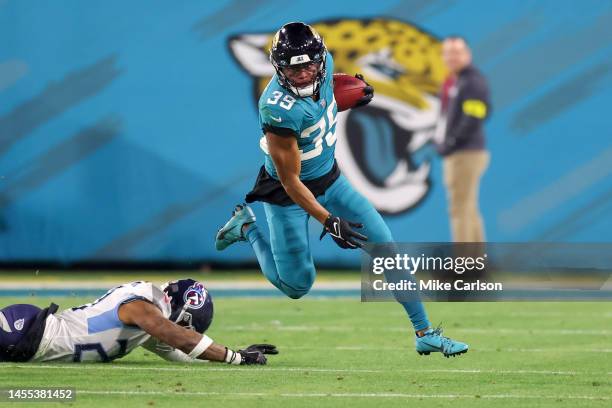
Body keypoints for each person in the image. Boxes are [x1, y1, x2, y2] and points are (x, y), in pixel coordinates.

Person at [216, 22, 468, 357]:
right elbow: (292, 181)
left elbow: (327, 93)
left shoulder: (327, 64)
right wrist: (328, 220)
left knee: (385, 249)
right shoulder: (276, 107)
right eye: (293, 69)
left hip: (331, 180)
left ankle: (424, 332)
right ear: (278, 68)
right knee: (297, 285)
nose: (304, 74)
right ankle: (246, 227)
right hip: (286, 194)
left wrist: (348, 95)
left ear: (320, 59)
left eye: (309, 65)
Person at [0, 279, 277, 364]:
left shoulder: (151, 323)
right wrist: (234, 359)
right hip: (27, 331)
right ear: (177, 310)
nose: (183, 331)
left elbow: (186, 354)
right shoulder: (142, 304)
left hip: (32, 341)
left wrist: (236, 353)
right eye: (184, 324)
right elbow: (179, 337)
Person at [436, 36, 491, 243]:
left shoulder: (472, 81)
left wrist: (451, 142)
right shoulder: (458, 80)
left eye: (457, 52)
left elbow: (475, 116)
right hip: (464, 151)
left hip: (466, 153)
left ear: (468, 54)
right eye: (448, 52)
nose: (452, 57)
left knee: (460, 209)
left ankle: (465, 266)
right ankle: (475, 263)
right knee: (468, 209)